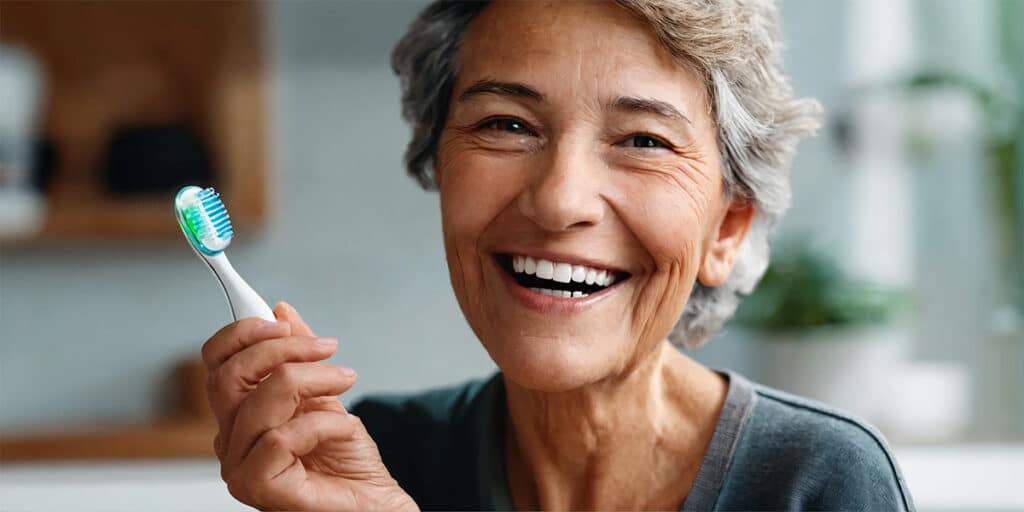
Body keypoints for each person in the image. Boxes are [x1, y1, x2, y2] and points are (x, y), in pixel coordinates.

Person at [199, 1, 915, 510]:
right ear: (439, 168)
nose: (559, 199)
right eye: (507, 124)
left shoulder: (819, 483)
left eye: (643, 140)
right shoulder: (378, 455)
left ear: (725, 230)